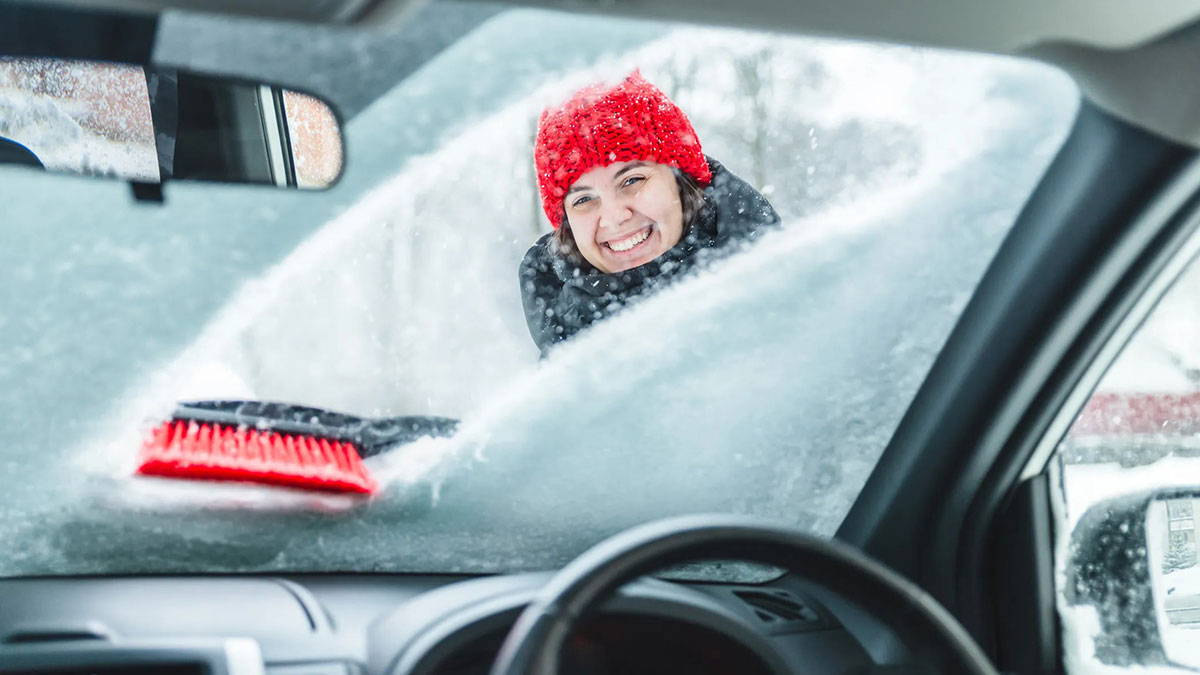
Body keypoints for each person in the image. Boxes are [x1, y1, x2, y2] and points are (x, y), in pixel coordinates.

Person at [519, 71, 781, 356]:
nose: (615, 216)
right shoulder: (563, 372)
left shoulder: (782, 294)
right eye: (583, 199)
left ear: (681, 182)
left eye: (632, 180)